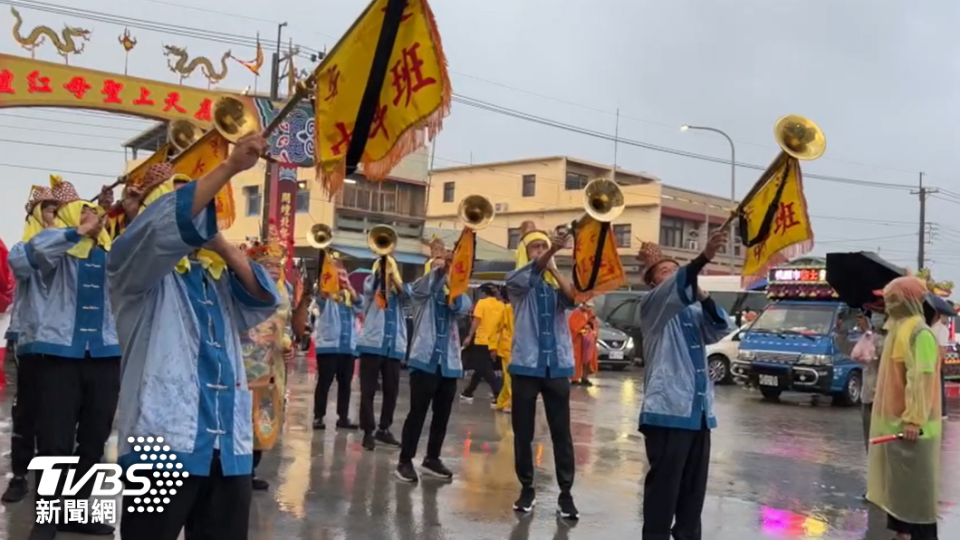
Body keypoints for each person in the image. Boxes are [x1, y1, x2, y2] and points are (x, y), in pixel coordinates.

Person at [107, 139, 281, 540]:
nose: (197, 215)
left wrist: (217, 241)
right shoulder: (131, 271)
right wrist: (229, 167)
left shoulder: (214, 279)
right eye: (188, 204)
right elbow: (161, 230)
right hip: (160, 451)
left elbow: (264, 298)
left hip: (229, 448)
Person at [9, 177, 120, 540]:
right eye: (83, 213)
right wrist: (73, 234)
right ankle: (47, 517)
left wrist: (124, 212)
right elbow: (23, 262)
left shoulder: (108, 253)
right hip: (56, 355)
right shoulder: (41, 247)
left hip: (104, 353)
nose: (91, 219)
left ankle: (75, 509)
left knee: (94, 438)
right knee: (54, 440)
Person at [636, 230, 731, 540]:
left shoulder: (691, 312)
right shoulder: (651, 307)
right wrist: (702, 258)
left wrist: (703, 295)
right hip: (668, 411)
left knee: (693, 495)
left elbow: (721, 328)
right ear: (652, 282)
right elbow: (678, 286)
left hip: (698, 412)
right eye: (665, 270)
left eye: (675, 269)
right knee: (664, 492)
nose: (673, 274)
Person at [506, 226, 579, 520]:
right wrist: (550, 253)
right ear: (525, 251)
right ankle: (526, 487)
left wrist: (555, 268)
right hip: (526, 364)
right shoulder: (516, 281)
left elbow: (573, 299)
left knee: (562, 432)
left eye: (543, 246)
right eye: (535, 247)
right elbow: (528, 275)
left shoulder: (553, 284)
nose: (540, 251)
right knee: (523, 432)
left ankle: (566, 493)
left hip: (557, 366)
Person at [868, 277, 941, 540]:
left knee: (917, 503)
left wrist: (914, 420)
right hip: (895, 429)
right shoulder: (897, 330)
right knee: (899, 500)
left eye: (892, 299)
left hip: (915, 432)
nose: (888, 305)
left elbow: (921, 379)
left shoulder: (919, 334)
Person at [2, 186, 59, 504]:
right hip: (30, 339)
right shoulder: (23, 247)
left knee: (60, 416)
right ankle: (20, 476)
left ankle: (53, 488)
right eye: (46, 208)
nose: (53, 214)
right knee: (27, 411)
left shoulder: (71, 245)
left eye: (57, 208)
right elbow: (25, 268)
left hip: (65, 343)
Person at [395, 252, 472, 482]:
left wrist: (452, 278)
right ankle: (405, 461)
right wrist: (441, 270)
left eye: (444, 266)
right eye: (436, 267)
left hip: (448, 363)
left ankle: (432, 458)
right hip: (424, 361)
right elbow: (421, 288)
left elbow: (462, 307)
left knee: (442, 415)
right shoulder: (421, 294)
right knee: (417, 414)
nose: (442, 269)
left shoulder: (456, 294)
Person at [239, 227, 295, 492]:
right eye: (268, 264)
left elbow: (286, 324)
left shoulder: (286, 291)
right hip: (247, 361)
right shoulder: (246, 285)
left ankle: (251, 470)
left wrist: (288, 344)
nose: (274, 269)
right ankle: (239, 470)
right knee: (244, 415)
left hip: (273, 363)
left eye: (276, 264)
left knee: (266, 415)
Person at [356, 254, 410, 451]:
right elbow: (379, 298)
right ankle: (368, 431)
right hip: (373, 344)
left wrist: (393, 277)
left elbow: (409, 298)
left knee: (391, 391)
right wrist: (381, 275)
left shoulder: (402, 291)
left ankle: (384, 428)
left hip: (394, 346)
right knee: (368, 390)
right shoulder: (372, 284)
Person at [312, 259, 362, 431]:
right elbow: (321, 298)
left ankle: (343, 417)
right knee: (324, 382)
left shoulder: (349, 295)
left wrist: (349, 287)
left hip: (347, 347)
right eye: (338, 274)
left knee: (345, 383)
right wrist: (329, 280)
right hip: (329, 346)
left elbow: (360, 306)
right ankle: (318, 416)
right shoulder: (326, 295)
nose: (341, 277)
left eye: (343, 274)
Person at [460, 283, 504, 403]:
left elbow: (476, 321)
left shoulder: (482, 303)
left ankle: (498, 392)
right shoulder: (501, 305)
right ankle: (468, 392)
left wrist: (469, 336)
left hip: (481, 339)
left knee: (484, 369)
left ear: (484, 293)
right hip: (494, 341)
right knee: (480, 368)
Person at [851, 310, 883, 454]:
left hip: (881, 398)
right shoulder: (870, 336)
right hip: (867, 395)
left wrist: (868, 332)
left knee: (879, 448)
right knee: (869, 446)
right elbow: (855, 354)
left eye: (879, 313)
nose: (876, 317)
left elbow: (874, 354)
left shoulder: (888, 338)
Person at [494, 287, 514, 413]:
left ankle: (502, 402)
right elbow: (499, 326)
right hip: (508, 347)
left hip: (515, 346)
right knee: (509, 377)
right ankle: (508, 403)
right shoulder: (508, 309)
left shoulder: (516, 307)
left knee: (510, 377)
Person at [569, 302, 599, 387]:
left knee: (588, 360)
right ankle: (575, 379)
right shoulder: (576, 313)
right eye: (587, 306)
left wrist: (591, 328)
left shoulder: (591, 314)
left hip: (588, 341)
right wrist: (582, 329)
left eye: (590, 307)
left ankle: (584, 378)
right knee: (577, 360)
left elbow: (595, 326)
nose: (588, 308)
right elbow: (573, 327)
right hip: (578, 342)